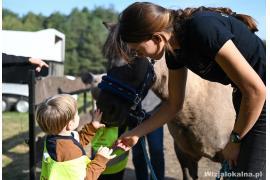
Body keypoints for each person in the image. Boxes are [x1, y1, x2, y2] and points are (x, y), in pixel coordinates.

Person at [114, 2, 266, 179]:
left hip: (259, 99)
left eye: (138, 50)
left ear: (157, 38)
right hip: (245, 99)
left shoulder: (203, 29)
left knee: (249, 175)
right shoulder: (175, 50)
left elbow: (257, 91)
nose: (140, 56)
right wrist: (136, 133)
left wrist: (234, 141)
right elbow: (174, 104)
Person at [36, 94, 116, 180]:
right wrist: (100, 160)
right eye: (77, 114)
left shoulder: (53, 139)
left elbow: (76, 141)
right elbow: (86, 178)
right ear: (70, 124)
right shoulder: (72, 154)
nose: (78, 116)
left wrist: (93, 126)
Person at [132, 90, 165, 180]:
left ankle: (157, 178)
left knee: (156, 151)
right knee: (138, 153)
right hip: (133, 115)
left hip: (155, 112)